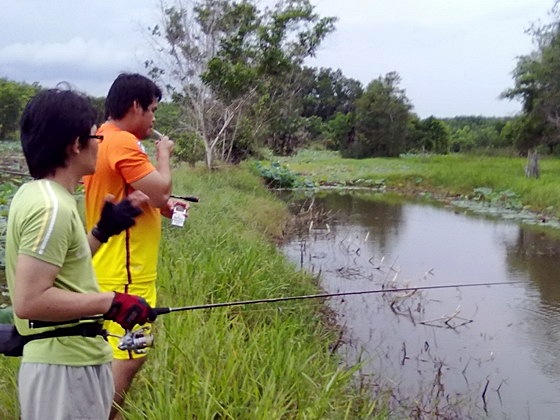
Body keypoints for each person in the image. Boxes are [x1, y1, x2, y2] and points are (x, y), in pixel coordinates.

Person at [5, 87, 157, 420]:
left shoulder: (38, 195)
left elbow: (60, 270)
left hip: (70, 362)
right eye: (95, 137)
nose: (98, 144)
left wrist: (102, 232)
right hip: (64, 370)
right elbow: (30, 300)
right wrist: (112, 302)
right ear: (76, 144)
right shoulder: (51, 207)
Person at [83, 73, 182, 419]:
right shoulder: (124, 142)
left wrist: (157, 206)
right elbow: (161, 189)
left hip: (109, 264)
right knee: (130, 355)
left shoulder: (100, 138)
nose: (154, 118)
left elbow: (139, 196)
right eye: (152, 110)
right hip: (127, 271)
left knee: (116, 352)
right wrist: (164, 155)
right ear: (135, 106)